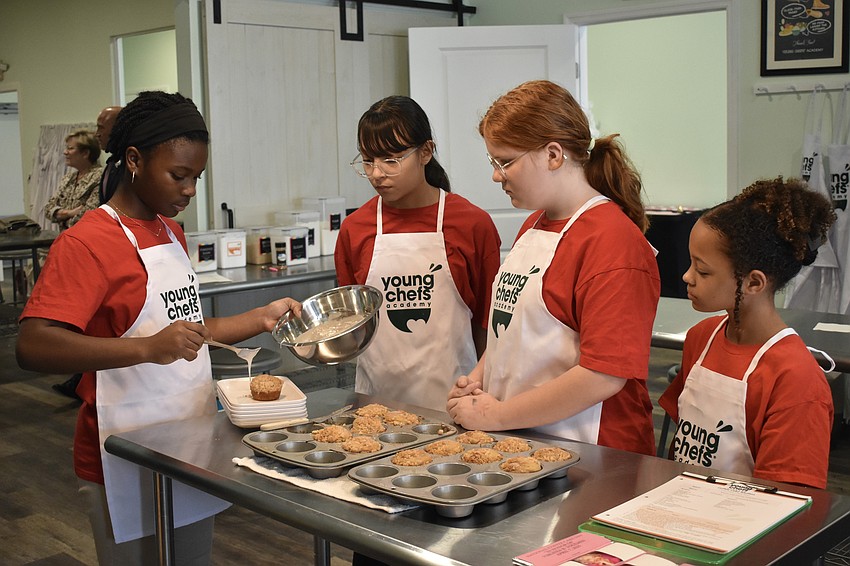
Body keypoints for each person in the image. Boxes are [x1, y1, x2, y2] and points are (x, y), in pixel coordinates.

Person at [16, 91, 301, 565]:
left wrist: (259, 319)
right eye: (179, 175)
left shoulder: (170, 231)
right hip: (122, 453)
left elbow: (183, 331)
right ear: (133, 160)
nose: (190, 190)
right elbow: (34, 344)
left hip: (188, 445)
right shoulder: (87, 242)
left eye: (197, 178)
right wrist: (146, 348)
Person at [446, 80, 660, 456]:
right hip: (523, 439)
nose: (497, 176)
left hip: (593, 453)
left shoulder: (613, 244)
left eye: (505, 161)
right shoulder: (534, 225)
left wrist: (496, 416)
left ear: (554, 155)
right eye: (493, 162)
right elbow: (511, 330)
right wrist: (479, 379)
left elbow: (603, 376)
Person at [659, 177, 835, 488]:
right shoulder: (701, 337)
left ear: (753, 283)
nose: (687, 276)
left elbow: (785, 499)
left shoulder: (795, 378)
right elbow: (683, 446)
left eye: (702, 270)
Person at [335, 95, 502, 412]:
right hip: (376, 408)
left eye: (391, 160)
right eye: (368, 160)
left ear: (425, 152)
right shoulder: (355, 230)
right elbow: (352, 322)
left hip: (456, 405)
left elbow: (487, 323)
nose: (377, 173)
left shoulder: (471, 225)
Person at [53, 107, 122, 401]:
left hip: (102, 252)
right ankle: (83, 379)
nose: (98, 132)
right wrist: (63, 213)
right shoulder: (109, 169)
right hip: (76, 248)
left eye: (102, 126)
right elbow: (51, 207)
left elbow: (93, 212)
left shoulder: (116, 171)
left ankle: (84, 379)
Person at [43, 130, 103, 230]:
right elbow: (48, 209)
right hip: (66, 239)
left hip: (86, 239)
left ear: (85, 153)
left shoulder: (100, 177)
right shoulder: (68, 179)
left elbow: (88, 215)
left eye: (70, 148)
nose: (65, 152)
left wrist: (60, 217)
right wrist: (69, 213)